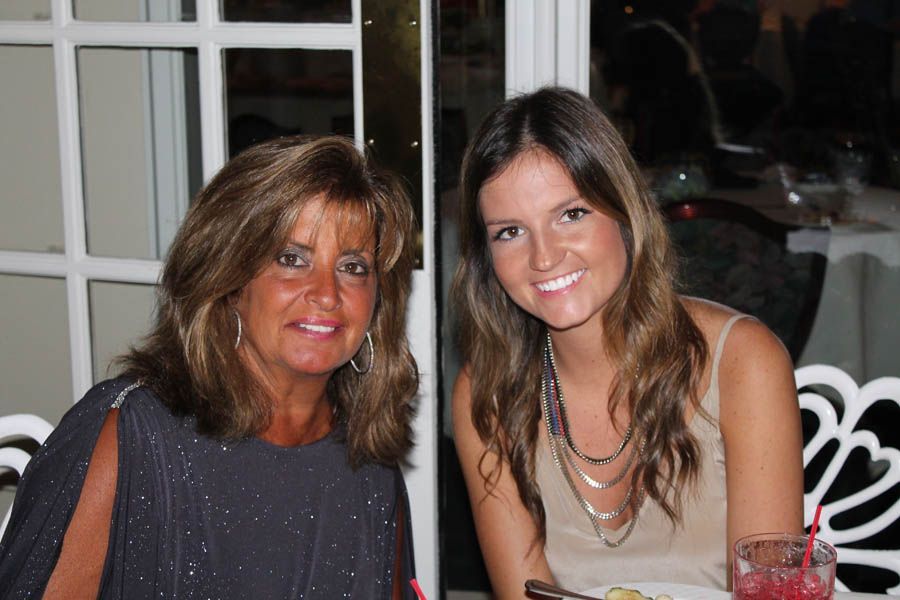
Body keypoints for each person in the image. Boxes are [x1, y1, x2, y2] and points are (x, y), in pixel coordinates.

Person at [0, 135, 419, 599]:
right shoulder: (130, 438)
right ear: (228, 280)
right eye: (291, 259)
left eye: (353, 266)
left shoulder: (370, 469)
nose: (326, 293)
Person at [450, 87, 803, 596]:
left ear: (624, 210)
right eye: (510, 231)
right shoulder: (487, 396)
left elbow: (768, 591)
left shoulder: (744, 362)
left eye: (571, 214)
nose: (544, 257)